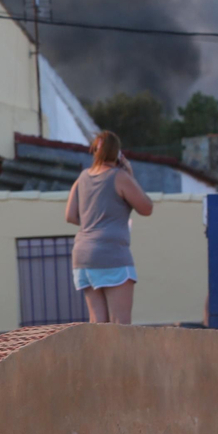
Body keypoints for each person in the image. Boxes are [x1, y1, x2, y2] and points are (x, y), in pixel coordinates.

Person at [65, 130, 154, 325]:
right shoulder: (119, 176)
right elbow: (146, 208)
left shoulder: (82, 178)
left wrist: (93, 222)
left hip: (83, 256)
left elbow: (70, 215)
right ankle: (120, 357)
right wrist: (130, 175)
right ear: (117, 153)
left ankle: (95, 357)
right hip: (111, 254)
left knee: (98, 322)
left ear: (95, 152)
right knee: (119, 324)